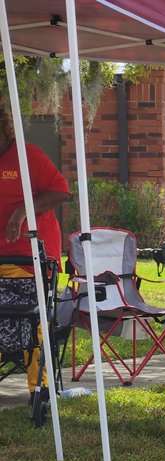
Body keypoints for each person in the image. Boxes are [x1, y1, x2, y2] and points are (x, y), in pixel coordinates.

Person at [0, 105, 71, 396]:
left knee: (32, 319)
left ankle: (39, 390)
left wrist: (21, 213)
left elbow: (61, 190)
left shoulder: (27, 156)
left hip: (30, 259)